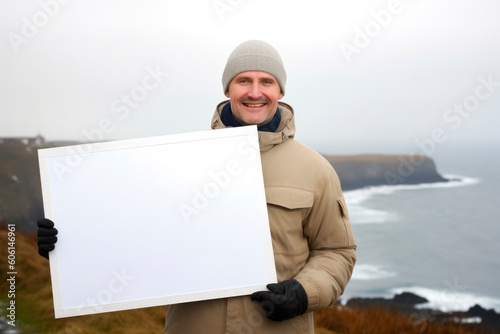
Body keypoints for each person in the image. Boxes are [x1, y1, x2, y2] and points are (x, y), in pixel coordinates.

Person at [37, 40, 357, 334]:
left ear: (281, 91)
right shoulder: (179, 162)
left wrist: (304, 293)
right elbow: (133, 233)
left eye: (267, 81)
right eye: (244, 80)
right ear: (228, 88)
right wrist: (67, 247)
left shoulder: (316, 170)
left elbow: (337, 252)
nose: (255, 92)